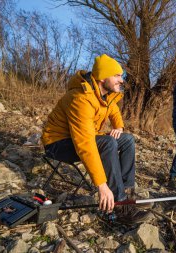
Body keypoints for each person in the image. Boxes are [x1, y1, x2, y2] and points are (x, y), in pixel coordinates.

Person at [42, 54, 150, 224]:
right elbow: (85, 144)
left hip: (83, 136)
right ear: (102, 77)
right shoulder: (81, 98)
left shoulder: (103, 95)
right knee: (108, 143)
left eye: (121, 76)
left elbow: (113, 110)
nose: (121, 80)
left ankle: (127, 191)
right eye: (117, 75)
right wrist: (101, 185)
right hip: (57, 143)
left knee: (127, 139)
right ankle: (120, 204)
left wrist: (118, 126)